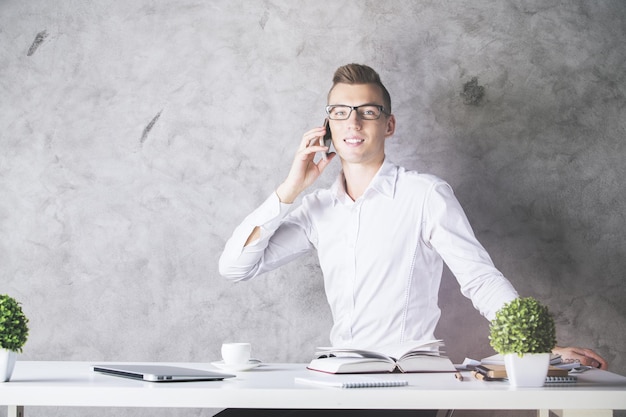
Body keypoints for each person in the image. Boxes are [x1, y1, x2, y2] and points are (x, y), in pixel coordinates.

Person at [217, 64, 607, 416]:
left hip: (408, 386)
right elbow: (235, 267)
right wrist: (290, 189)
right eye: (341, 112)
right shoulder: (316, 209)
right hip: (340, 380)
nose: (354, 123)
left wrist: (537, 345)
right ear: (327, 128)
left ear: (388, 125)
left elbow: (480, 279)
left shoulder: (425, 195)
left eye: (368, 112)